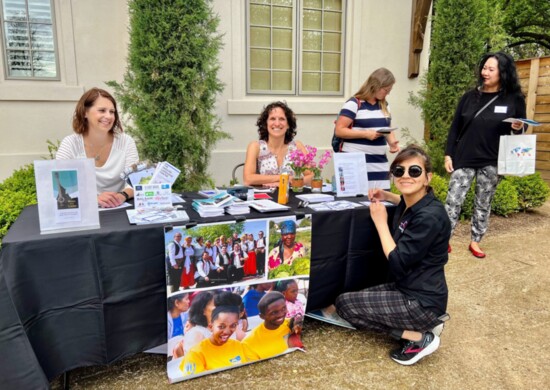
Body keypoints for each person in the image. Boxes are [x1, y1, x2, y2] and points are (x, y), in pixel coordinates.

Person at [334, 145, 451, 366]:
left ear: (428, 178)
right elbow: (405, 204)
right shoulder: (419, 203)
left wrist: (380, 222)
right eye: (399, 171)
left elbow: (397, 261)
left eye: (414, 171)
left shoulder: (429, 217)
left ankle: (420, 338)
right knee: (351, 296)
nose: (406, 176)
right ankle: (425, 323)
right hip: (411, 289)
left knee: (345, 305)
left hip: (419, 300)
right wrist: (387, 195)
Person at [444, 52, 526, 258]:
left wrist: (518, 127)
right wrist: (448, 155)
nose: (485, 72)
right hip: (464, 157)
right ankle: (443, 239)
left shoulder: (514, 99)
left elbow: (520, 130)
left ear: (503, 73)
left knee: (483, 201)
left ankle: (475, 241)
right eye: (484, 68)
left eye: (491, 69)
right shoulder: (469, 97)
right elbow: (455, 128)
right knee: (453, 200)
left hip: (493, 159)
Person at [56, 88, 139, 208]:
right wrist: (94, 198)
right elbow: (61, 184)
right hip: (84, 210)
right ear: (85, 112)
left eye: (112, 112)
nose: (109, 116)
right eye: (102, 110)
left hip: (119, 209)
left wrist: (121, 196)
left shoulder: (126, 142)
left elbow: (136, 182)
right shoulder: (70, 144)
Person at [334, 68, 400, 190]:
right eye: (386, 90)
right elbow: (339, 130)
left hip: (379, 163)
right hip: (355, 162)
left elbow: (387, 127)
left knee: (381, 199)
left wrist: (392, 142)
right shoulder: (354, 103)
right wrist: (365, 134)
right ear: (376, 86)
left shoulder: (384, 105)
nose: (388, 93)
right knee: (355, 202)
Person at [243, 101, 313, 187]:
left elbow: (313, 176)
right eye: (272, 119)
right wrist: (283, 178)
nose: (277, 123)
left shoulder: (297, 146)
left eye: (282, 119)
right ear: (266, 123)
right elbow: (248, 179)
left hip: (291, 196)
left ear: (288, 125)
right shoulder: (255, 146)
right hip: (265, 198)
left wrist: (292, 182)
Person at [180, 305, 259, 376]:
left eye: (233, 326)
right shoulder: (195, 354)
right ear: (211, 326)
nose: (227, 331)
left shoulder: (239, 346)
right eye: (221, 326)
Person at [242, 291, 304, 359]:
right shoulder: (249, 343)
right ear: (262, 316)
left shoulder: (292, 324)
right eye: (274, 312)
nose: (281, 314)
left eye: (283, 308)